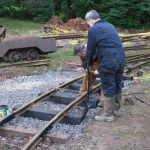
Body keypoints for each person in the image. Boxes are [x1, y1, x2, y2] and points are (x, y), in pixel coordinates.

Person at [85, 10, 126, 121]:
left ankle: (108, 115)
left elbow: (90, 49)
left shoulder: (93, 29)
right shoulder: (110, 25)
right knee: (117, 83)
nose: (88, 25)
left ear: (91, 20)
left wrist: (87, 64)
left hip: (109, 60)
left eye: (88, 23)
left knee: (108, 85)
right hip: (121, 58)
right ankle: (117, 110)